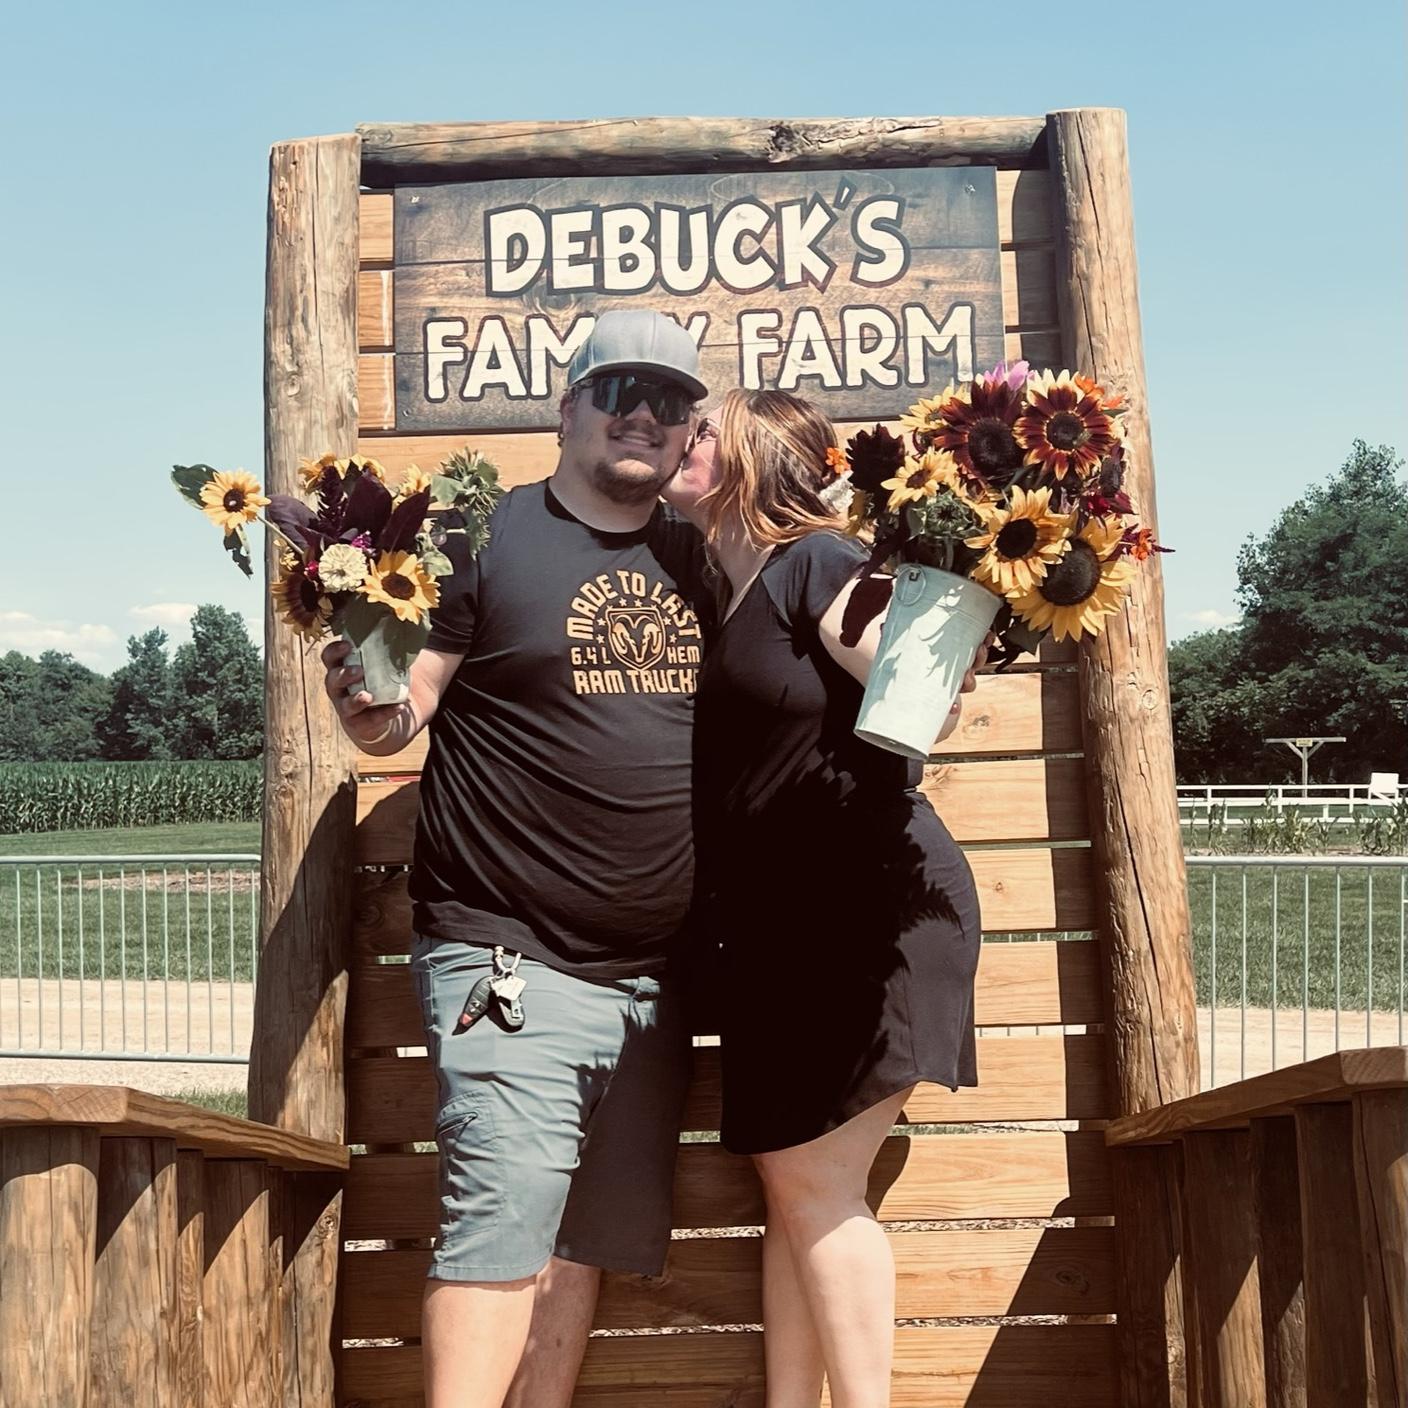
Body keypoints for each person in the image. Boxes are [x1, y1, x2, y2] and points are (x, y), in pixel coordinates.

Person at [322, 310, 712, 1408]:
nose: (643, 415)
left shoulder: (700, 557)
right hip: (510, 960)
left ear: (691, 429)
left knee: (581, 1244)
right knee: (501, 1224)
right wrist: (366, 707)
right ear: (568, 406)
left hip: (658, 981)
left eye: (670, 400)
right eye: (619, 390)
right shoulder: (480, 540)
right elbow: (403, 708)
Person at [664, 387, 987, 1408]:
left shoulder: (816, 561)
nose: (679, 441)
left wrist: (944, 645)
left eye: (701, 430)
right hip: (782, 931)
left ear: (754, 457)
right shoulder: (728, 588)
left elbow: (916, 678)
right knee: (793, 1182)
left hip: (866, 910)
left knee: (814, 1182)